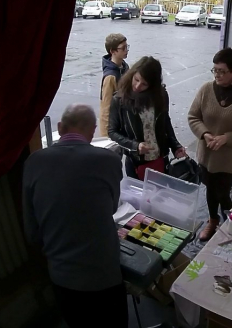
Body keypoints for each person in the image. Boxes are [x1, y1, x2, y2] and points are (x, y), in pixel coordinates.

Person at [23, 104, 127, 327]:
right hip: (104, 274)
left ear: (60, 128)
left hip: (62, 277)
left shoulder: (33, 163)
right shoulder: (108, 160)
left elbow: (32, 232)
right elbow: (111, 208)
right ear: (92, 132)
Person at [188, 48, 232, 241]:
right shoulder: (205, 90)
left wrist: (227, 138)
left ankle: (231, 223)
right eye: (215, 70)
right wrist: (205, 133)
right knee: (210, 189)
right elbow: (193, 116)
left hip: (229, 159)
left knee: (223, 192)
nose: (217, 75)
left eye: (222, 71)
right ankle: (213, 220)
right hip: (207, 154)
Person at [108, 56, 186, 180]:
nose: (138, 86)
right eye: (136, 79)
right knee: (139, 199)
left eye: (144, 84)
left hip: (160, 158)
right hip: (136, 161)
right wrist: (135, 146)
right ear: (132, 75)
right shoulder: (119, 100)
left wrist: (176, 146)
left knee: (159, 197)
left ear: (152, 85)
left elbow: (165, 122)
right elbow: (112, 132)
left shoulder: (161, 95)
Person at [100, 33, 130, 137]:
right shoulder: (110, 77)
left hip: (125, 123)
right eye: (123, 48)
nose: (126, 50)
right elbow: (106, 107)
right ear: (112, 51)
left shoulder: (125, 67)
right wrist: (105, 135)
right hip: (115, 128)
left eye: (127, 47)